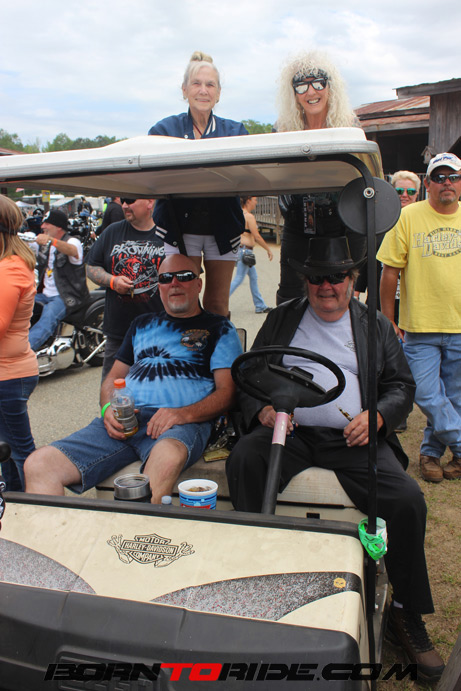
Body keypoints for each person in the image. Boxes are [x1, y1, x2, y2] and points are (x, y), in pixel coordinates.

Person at [226, 236, 444, 684]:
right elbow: (251, 373)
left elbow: (401, 387)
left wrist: (377, 416)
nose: (327, 286)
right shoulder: (283, 318)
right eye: (318, 278)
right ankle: (256, 580)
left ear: (352, 279)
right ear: (306, 281)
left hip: (352, 438)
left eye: (337, 277)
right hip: (292, 430)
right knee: (247, 458)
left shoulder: (374, 324)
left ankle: (406, 613)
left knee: (406, 500)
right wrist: (262, 408)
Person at [24, 254, 243, 503]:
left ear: (198, 284)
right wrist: (107, 408)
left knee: (165, 459)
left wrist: (182, 414)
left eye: (184, 276)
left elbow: (227, 393)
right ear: (159, 286)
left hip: (179, 424)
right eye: (166, 278)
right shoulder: (141, 324)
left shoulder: (219, 328)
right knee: (39, 465)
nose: (174, 283)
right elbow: (113, 378)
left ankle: (137, 527)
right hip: (126, 419)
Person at [378, 152, 461, 482]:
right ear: (427, 183)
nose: (446, 183)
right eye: (439, 177)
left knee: (453, 398)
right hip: (419, 327)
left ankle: (430, 455)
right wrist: (388, 319)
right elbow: (389, 271)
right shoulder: (408, 216)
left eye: (453, 177)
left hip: (459, 327)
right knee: (425, 393)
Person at [148, 51, 248, 317]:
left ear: (219, 93)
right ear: (184, 90)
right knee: (182, 302)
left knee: (217, 304)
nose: (203, 90)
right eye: (196, 83)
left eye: (210, 84)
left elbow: (244, 178)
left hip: (222, 226)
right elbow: (155, 177)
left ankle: (218, 344)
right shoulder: (164, 131)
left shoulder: (236, 132)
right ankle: (183, 344)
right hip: (178, 226)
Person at [274, 50, 364, 304]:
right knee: (290, 294)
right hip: (298, 219)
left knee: (340, 292)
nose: (310, 92)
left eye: (318, 83)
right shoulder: (282, 129)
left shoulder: (349, 126)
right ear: (293, 93)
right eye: (301, 86)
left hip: (342, 220)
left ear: (329, 87)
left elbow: (362, 173)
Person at [86, 198, 165, 382]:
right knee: (113, 390)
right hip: (119, 334)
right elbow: (91, 267)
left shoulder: (166, 233)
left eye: (130, 201)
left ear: (149, 202)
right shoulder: (112, 232)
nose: (124, 206)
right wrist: (112, 281)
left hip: (159, 333)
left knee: (156, 390)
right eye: (122, 201)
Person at [0, 195, 39, 491]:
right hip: (10, 372)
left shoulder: (9, 269)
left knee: (22, 453)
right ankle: (14, 505)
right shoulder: (9, 264)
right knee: (8, 451)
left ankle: (40, 507)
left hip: (8, 375)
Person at [29, 209, 89, 352]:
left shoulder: (72, 241)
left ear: (58, 227)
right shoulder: (44, 243)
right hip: (43, 294)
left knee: (47, 319)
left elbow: (72, 251)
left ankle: (22, 354)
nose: (42, 226)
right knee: (18, 306)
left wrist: (51, 240)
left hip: (66, 296)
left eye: (47, 223)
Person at [230, 196, 273, 314]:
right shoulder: (249, 216)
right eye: (255, 200)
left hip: (241, 250)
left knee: (253, 277)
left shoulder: (238, 214)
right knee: (239, 278)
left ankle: (260, 305)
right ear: (248, 201)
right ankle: (220, 301)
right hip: (245, 251)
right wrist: (268, 249)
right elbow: (257, 236)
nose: (256, 203)